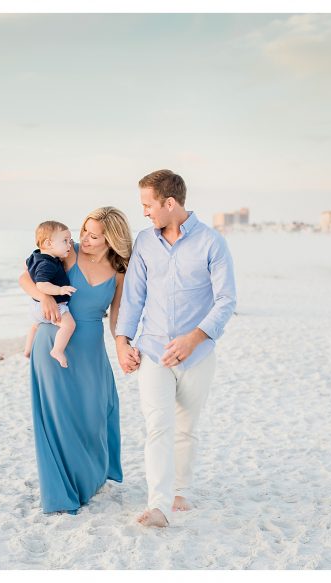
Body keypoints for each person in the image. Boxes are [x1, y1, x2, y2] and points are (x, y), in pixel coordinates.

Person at [115, 169, 236, 528]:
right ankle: (159, 505)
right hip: (153, 351)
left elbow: (226, 300)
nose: (145, 212)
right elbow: (133, 297)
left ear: (170, 203)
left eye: (148, 204)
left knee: (186, 427)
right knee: (158, 426)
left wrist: (193, 339)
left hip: (197, 354)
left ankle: (180, 489)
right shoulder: (144, 242)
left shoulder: (212, 243)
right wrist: (123, 342)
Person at [19, 207, 133, 514]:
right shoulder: (68, 253)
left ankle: (90, 477)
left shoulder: (120, 270)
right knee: (60, 418)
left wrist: (122, 346)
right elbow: (24, 277)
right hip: (54, 343)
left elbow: (117, 315)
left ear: (112, 239)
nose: (84, 239)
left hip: (92, 348)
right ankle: (63, 489)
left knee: (96, 411)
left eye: (93, 236)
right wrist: (43, 297)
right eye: (84, 231)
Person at [23, 221, 78, 368]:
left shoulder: (35, 256)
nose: (69, 245)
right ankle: (57, 350)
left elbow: (26, 267)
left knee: (35, 326)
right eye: (65, 241)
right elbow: (41, 284)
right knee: (69, 325)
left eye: (70, 240)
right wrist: (59, 290)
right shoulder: (48, 264)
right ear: (48, 243)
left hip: (35, 306)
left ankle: (28, 349)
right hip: (53, 307)